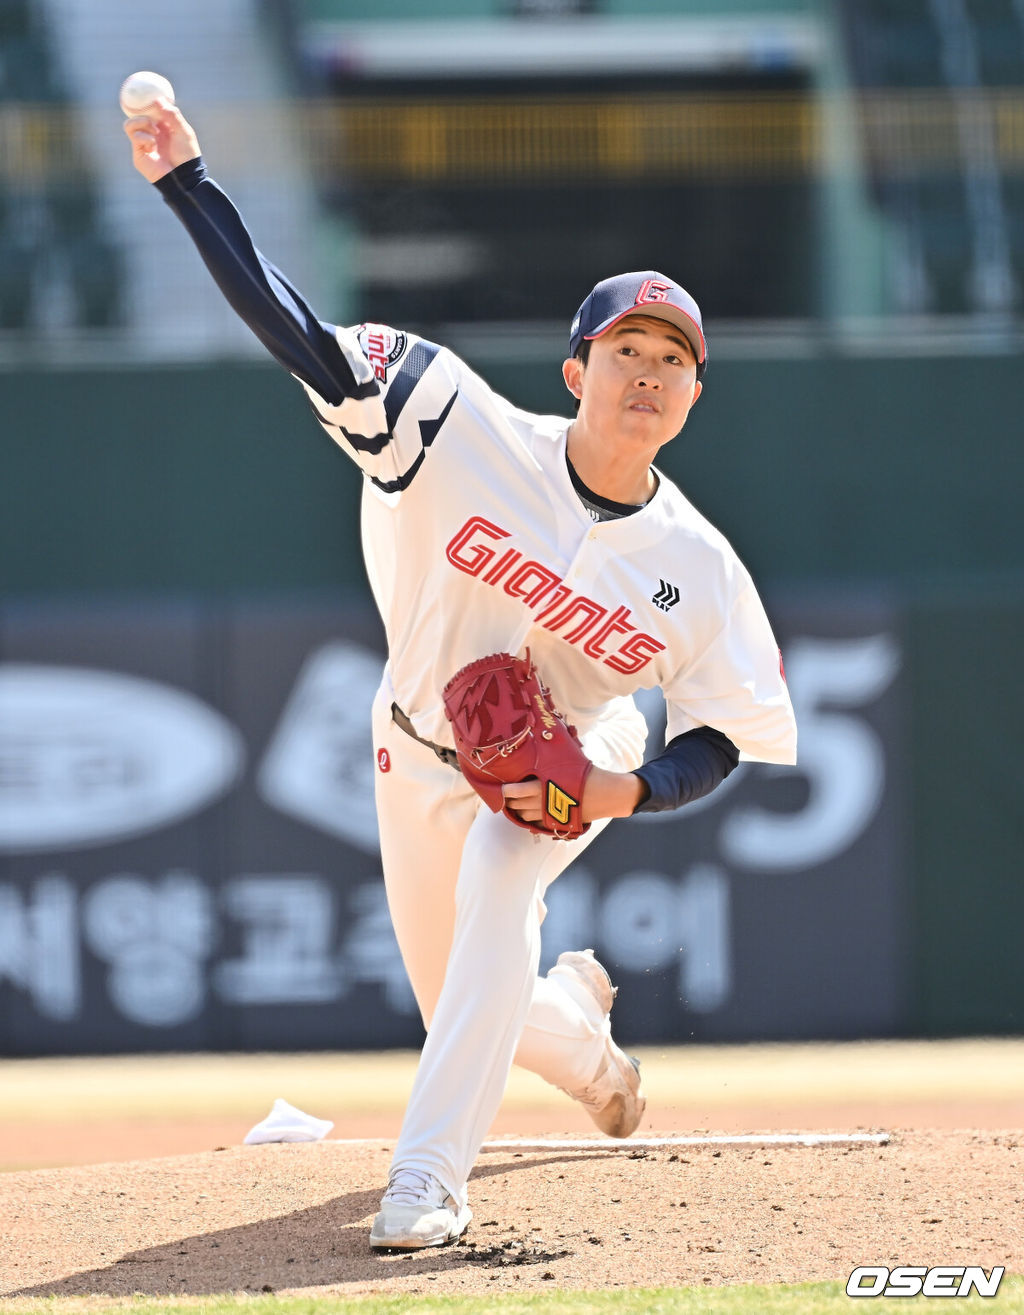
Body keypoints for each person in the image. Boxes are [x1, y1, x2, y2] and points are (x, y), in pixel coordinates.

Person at [124, 100, 797, 1252]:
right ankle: (587, 1044)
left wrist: (622, 793)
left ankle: (426, 1182)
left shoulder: (701, 568)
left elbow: (728, 729)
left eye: (673, 360)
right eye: (626, 351)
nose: (648, 373)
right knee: (468, 1006)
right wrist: (188, 184)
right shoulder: (459, 426)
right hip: (412, 741)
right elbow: (301, 338)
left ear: (692, 398)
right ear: (576, 367)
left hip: (573, 756)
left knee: (498, 889)